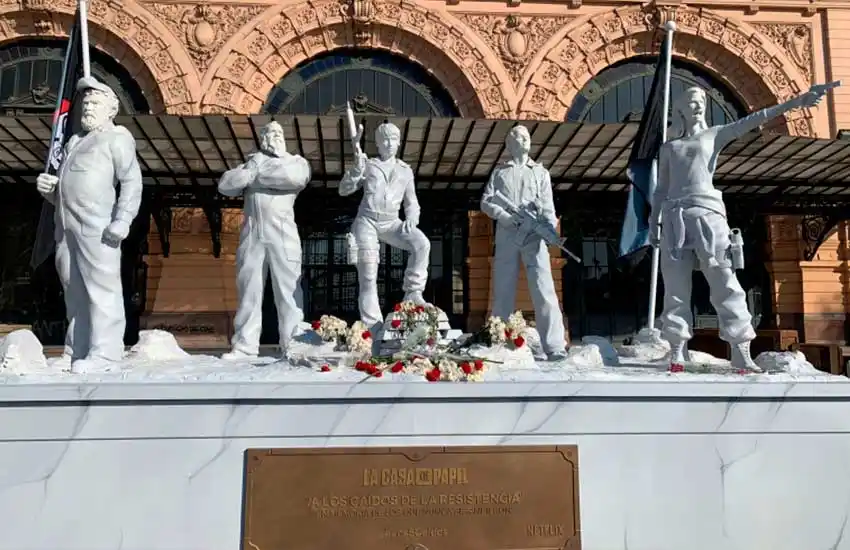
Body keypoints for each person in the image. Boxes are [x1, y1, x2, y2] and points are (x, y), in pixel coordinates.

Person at [652, 85, 828, 370]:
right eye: (692, 101)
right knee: (675, 288)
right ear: (680, 108)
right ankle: (676, 349)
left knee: (725, 281)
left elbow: (753, 120)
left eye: (702, 101)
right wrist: (653, 223)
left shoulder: (714, 135)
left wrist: (796, 102)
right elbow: (661, 189)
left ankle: (740, 349)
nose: (698, 106)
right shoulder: (669, 147)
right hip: (674, 218)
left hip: (708, 214)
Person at [35, 76, 142, 373]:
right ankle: (77, 350)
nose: (87, 107)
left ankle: (105, 353)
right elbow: (69, 190)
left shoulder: (117, 137)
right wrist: (50, 191)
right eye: (86, 102)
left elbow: (132, 181)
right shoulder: (74, 141)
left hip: (98, 228)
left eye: (95, 103)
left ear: (111, 109)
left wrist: (122, 220)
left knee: (101, 290)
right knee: (74, 291)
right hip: (67, 227)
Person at [217, 121, 311, 360]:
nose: (275, 136)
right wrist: (252, 169)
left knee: (288, 292)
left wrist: (254, 175)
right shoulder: (251, 162)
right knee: (249, 290)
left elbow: (293, 178)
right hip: (252, 234)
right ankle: (244, 346)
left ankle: (292, 344)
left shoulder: (295, 162)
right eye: (270, 133)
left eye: (279, 132)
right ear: (262, 138)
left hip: (283, 235)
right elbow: (226, 185)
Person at [480, 125, 568, 361]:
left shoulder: (540, 173)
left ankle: (555, 345)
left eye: (527, 136)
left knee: (544, 288)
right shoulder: (500, 172)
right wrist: (505, 217)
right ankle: (499, 340)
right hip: (508, 234)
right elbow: (486, 202)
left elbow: (548, 208)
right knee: (503, 289)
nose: (524, 139)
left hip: (533, 235)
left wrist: (549, 231)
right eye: (518, 136)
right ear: (509, 145)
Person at [339, 122, 430, 330]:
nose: (389, 144)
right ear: (378, 144)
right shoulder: (368, 165)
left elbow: (412, 202)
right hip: (367, 222)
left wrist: (412, 217)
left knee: (422, 244)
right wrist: (356, 169)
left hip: (392, 222)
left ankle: (413, 292)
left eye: (393, 140)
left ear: (399, 143)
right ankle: (372, 326)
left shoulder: (405, 171)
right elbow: (344, 190)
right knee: (368, 274)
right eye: (384, 140)